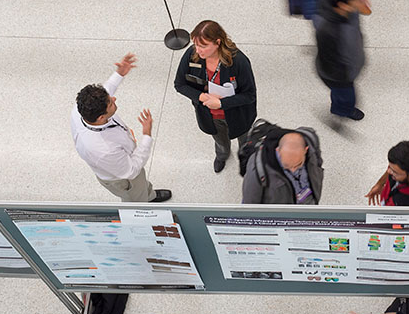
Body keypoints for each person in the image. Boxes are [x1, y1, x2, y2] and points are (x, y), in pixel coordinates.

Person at [72, 53, 172, 203]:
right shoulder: (103, 150)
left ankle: (149, 194)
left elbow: (106, 92)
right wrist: (146, 136)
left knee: (142, 186)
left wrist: (119, 74)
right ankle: (145, 208)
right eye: (110, 103)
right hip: (122, 178)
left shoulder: (81, 109)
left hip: (122, 161)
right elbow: (131, 170)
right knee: (136, 198)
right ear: (101, 117)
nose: (114, 98)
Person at [173, 21, 258, 174]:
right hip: (209, 115)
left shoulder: (238, 61)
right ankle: (222, 155)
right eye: (196, 45)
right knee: (220, 140)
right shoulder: (192, 56)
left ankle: (246, 158)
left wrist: (221, 103)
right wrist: (201, 97)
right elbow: (179, 84)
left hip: (238, 114)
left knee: (245, 139)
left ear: (218, 42)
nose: (198, 50)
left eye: (203, 46)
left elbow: (249, 95)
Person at [313, 0, 370, 121]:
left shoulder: (341, 8)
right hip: (339, 76)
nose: (363, 0)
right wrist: (350, 75)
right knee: (347, 97)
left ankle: (341, 103)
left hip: (340, 70)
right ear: (342, 5)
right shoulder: (332, 32)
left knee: (341, 93)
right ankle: (341, 110)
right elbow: (336, 62)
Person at [241, 128, 324, 205]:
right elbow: (249, 205)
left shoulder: (311, 141)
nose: (293, 170)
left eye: (298, 164)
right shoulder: (258, 169)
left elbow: (318, 164)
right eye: (286, 166)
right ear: (278, 150)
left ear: (306, 150)